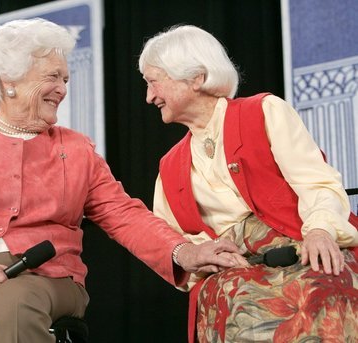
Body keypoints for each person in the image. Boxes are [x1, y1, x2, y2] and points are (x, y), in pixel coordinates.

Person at [0, 18, 244, 343]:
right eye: (52, 76)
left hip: (46, 278)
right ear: (9, 82)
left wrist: (185, 251)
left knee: (13, 304)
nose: (62, 88)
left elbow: (125, 215)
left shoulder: (76, 150)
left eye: (65, 79)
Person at [138, 24, 358, 342]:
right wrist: (198, 253)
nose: (149, 97)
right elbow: (173, 243)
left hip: (302, 257)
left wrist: (321, 229)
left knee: (324, 287)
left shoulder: (264, 112)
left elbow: (317, 183)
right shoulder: (169, 166)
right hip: (234, 286)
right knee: (231, 300)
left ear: (197, 78)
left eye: (154, 82)